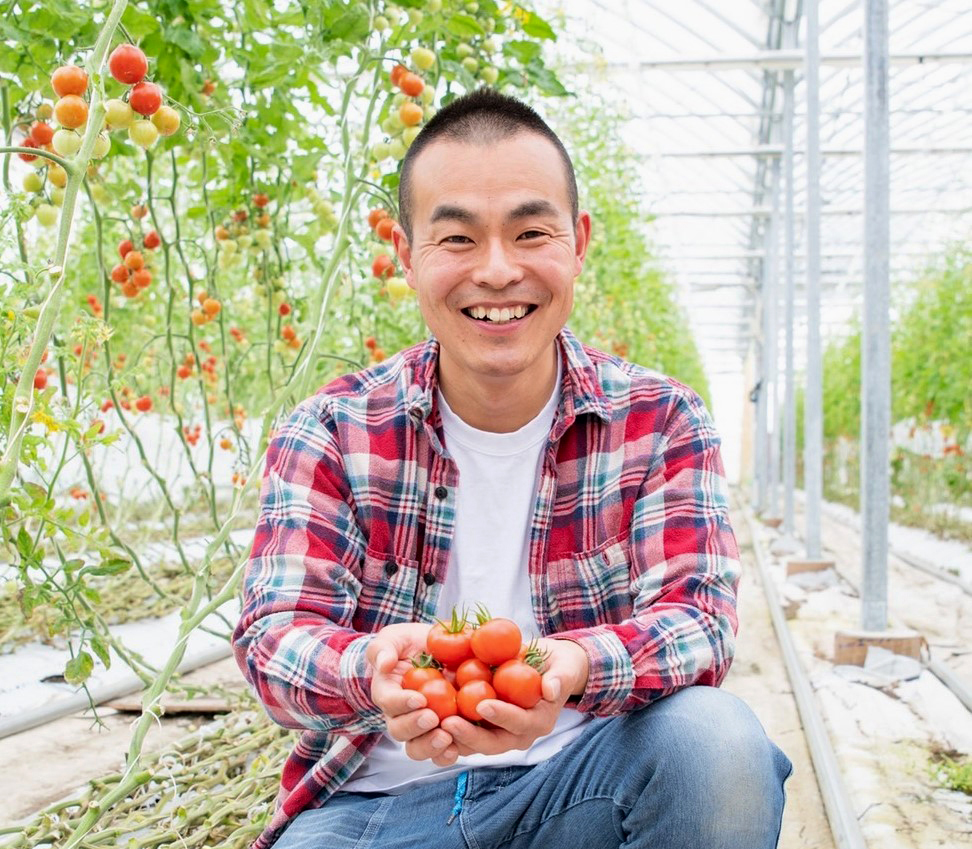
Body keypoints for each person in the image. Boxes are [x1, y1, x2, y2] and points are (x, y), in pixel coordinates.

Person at [232, 87, 792, 849]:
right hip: (378, 812)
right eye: (457, 239)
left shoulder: (660, 420)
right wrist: (371, 666)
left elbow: (700, 620)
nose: (497, 271)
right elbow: (271, 639)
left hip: (586, 786)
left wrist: (572, 666)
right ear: (405, 255)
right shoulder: (332, 429)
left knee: (716, 744)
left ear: (577, 242)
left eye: (531, 232)